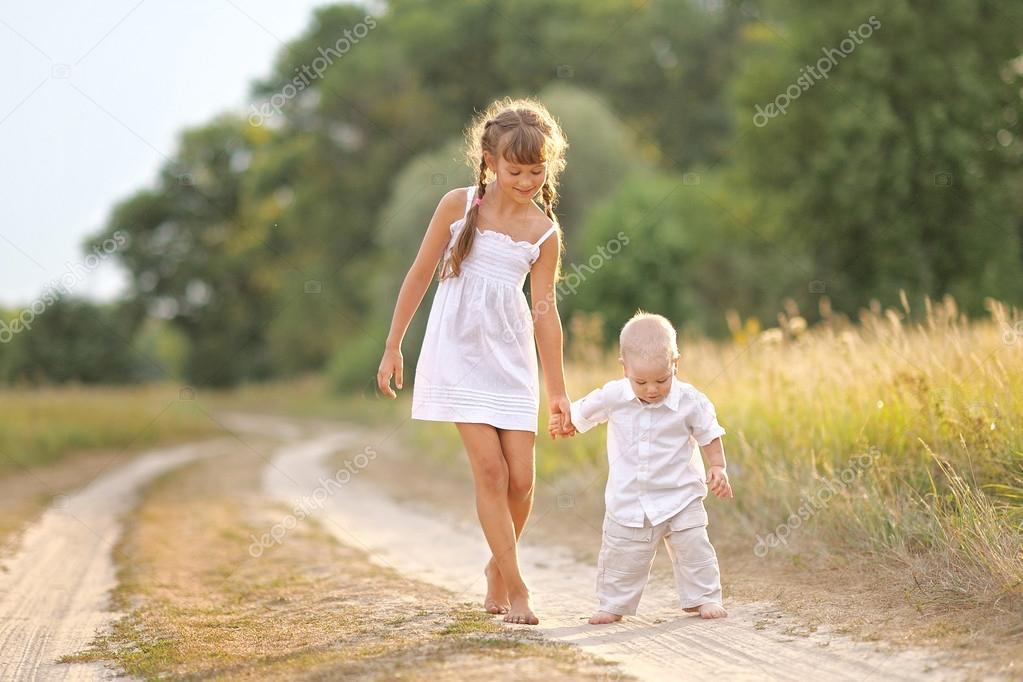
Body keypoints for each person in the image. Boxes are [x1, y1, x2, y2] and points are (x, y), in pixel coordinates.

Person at [377, 97, 576, 625]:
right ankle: (518, 589)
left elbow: (545, 314)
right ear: (489, 160)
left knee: (522, 482)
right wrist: (394, 343)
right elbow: (419, 274)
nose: (527, 180)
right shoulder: (457, 205)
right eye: (516, 170)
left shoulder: (544, 233)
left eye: (537, 171)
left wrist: (557, 392)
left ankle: (496, 566)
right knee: (490, 472)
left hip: (511, 362)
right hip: (458, 355)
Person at [552, 311, 731, 623]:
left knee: (694, 549)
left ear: (676, 363)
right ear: (624, 367)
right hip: (630, 499)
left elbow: (709, 433)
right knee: (623, 554)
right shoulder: (614, 395)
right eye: (641, 381)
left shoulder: (691, 400)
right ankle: (612, 605)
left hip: (681, 495)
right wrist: (567, 424)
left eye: (662, 380)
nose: (651, 389)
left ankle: (703, 597)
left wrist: (717, 466)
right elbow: (584, 413)